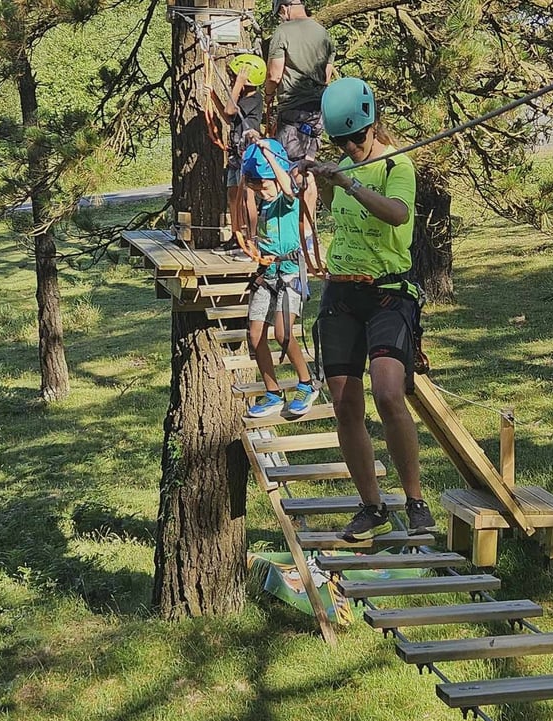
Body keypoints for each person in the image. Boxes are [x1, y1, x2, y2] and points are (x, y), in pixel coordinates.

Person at [304, 77, 436, 542]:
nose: (353, 147)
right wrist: (317, 182)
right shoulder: (342, 167)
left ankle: (415, 499)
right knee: (344, 403)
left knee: (387, 392)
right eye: (344, 141)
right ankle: (371, 506)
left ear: (373, 124)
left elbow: (398, 214)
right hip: (341, 293)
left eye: (358, 138)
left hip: (388, 293)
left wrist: (351, 183)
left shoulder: (396, 165)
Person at [241, 138, 319, 418]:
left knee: (283, 333)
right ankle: (272, 391)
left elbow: (286, 185)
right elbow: (246, 193)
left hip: (289, 273)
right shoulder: (263, 202)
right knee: (255, 334)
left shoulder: (287, 199)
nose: (261, 192)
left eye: (264, 185)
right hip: (268, 274)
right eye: (256, 187)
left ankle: (307, 383)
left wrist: (267, 153)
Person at [265, 0, 334, 247]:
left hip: (293, 108)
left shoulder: (283, 32)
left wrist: (268, 94)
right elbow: (326, 74)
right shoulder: (321, 32)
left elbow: (274, 73)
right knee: (310, 167)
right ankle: (309, 230)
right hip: (318, 109)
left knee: (291, 169)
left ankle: (293, 233)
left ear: (283, 8)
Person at [207, 53, 265, 258]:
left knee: (246, 196)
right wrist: (213, 97)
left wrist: (238, 83)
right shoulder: (243, 98)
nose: (232, 79)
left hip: (248, 153)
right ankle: (236, 235)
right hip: (235, 154)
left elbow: (231, 110)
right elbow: (228, 117)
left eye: (236, 77)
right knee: (233, 195)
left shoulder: (255, 99)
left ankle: (251, 238)